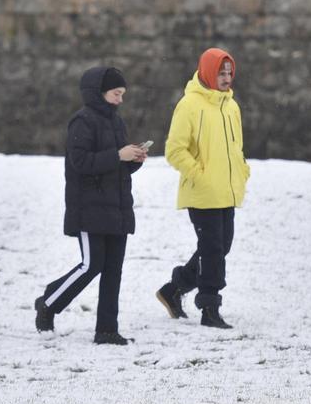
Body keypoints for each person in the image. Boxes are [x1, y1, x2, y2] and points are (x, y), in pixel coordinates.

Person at [35, 66, 147, 345]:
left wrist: (133, 160)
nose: (121, 99)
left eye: (122, 94)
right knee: (91, 265)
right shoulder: (81, 122)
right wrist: (117, 155)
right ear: (99, 93)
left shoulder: (117, 122)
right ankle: (49, 302)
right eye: (116, 93)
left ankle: (107, 329)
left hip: (117, 209)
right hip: (89, 210)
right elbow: (81, 163)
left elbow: (115, 166)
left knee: (113, 270)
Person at [156, 48, 250, 329]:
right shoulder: (189, 105)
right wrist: (199, 174)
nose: (226, 78)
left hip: (227, 191)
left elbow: (237, 147)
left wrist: (242, 169)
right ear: (208, 72)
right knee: (212, 251)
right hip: (202, 192)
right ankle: (209, 308)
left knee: (221, 247)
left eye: (229, 72)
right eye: (221, 73)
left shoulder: (231, 106)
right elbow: (174, 150)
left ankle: (174, 289)